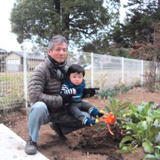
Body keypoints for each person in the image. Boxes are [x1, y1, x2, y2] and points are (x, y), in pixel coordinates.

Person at [25, 35, 97, 155]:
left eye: (64, 50)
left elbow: (72, 91)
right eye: (58, 49)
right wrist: (60, 99)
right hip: (46, 112)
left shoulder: (68, 70)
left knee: (89, 117)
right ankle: (32, 139)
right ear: (49, 51)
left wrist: (83, 92)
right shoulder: (41, 70)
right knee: (38, 107)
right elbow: (35, 96)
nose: (62, 53)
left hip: (62, 111)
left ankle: (59, 127)